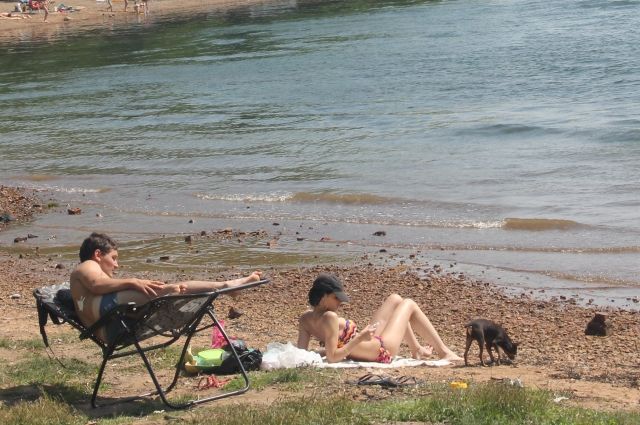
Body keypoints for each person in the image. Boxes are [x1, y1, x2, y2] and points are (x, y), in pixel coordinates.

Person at [70, 232, 262, 342]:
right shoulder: (87, 265)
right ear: (97, 254)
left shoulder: (91, 282)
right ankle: (224, 286)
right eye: (113, 258)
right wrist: (133, 281)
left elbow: (97, 287)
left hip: (112, 328)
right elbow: (96, 284)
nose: (116, 265)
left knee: (174, 288)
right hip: (110, 322)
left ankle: (224, 286)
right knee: (170, 288)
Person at [297, 273, 462, 363]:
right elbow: (333, 357)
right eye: (336, 298)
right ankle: (444, 352)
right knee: (409, 304)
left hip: (369, 344)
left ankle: (416, 349)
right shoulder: (330, 317)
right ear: (324, 296)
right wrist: (359, 338)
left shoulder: (305, 319)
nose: (340, 302)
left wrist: (320, 352)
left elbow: (301, 354)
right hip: (382, 350)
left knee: (395, 299)